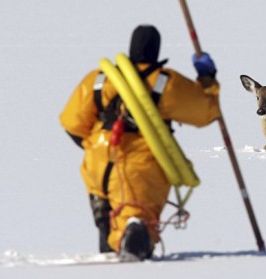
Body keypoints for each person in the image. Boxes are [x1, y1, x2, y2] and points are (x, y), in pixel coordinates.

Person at [59, 25, 220, 261]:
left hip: (97, 164)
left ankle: (112, 255)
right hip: (141, 166)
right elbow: (206, 112)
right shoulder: (165, 82)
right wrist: (208, 78)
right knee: (135, 217)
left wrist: (98, 149)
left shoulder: (99, 79)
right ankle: (133, 245)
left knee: (108, 219)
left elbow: (72, 123)